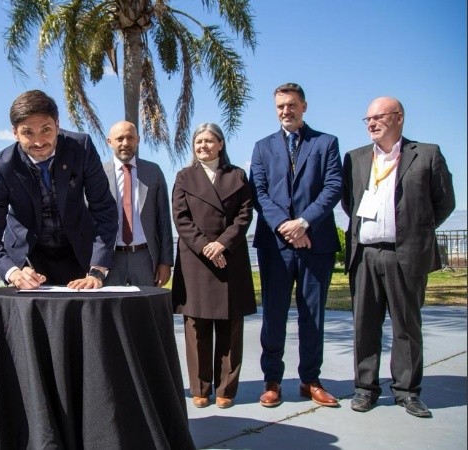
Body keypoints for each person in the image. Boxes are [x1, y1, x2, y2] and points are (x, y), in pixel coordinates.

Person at [342, 97, 455, 418]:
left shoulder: (426, 154)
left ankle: (407, 391)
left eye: (379, 117)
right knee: (364, 324)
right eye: (367, 120)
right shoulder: (355, 158)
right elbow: (349, 203)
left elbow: (444, 202)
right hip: (365, 255)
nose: (372, 124)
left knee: (406, 325)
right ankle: (365, 388)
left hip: (405, 254)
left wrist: (415, 229)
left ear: (399, 118)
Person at [249, 83, 342, 408]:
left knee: (312, 316)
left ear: (303, 106)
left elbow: (333, 187)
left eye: (291, 105)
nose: (285, 111)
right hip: (275, 246)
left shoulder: (326, 143)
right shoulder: (262, 147)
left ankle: (310, 380)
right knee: (274, 314)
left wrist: (303, 222)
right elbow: (258, 192)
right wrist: (285, 227)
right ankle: (272, 381)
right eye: (280, 107)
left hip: (315, 242)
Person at [0, 90, 117, 289]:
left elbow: (105, 210)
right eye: (28, 132)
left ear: (58, 125)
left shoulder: (81, 148)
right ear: (15, 133)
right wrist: (13, 272)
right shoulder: (2, 166)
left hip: (80, 256)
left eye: (46, 130)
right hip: (28, 263)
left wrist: (97, 269)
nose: (39, 142)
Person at [172, 123, 256, 409]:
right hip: (196, 259)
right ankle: (200, 387)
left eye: (209, 141)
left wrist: (222, 244)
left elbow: (245, 215)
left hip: (230, 257)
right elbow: (181, 218)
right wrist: (206, 247)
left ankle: (226, 390)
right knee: (196, 326)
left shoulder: (238, 176)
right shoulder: (184, 177)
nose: (203, 146)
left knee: (230, 326)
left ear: (220, 144)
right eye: (198, 142)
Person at [102, 120, 173, 287]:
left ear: (138, 140)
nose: (125, 143)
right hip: (110, 259)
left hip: (145, 259)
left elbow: (163, 220)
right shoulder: (98, 174)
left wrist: (166, 262)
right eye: (120, 139)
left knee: (145, 310)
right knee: (110, 311)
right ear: (109, 142)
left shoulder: (153, 172)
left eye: (130, 138)